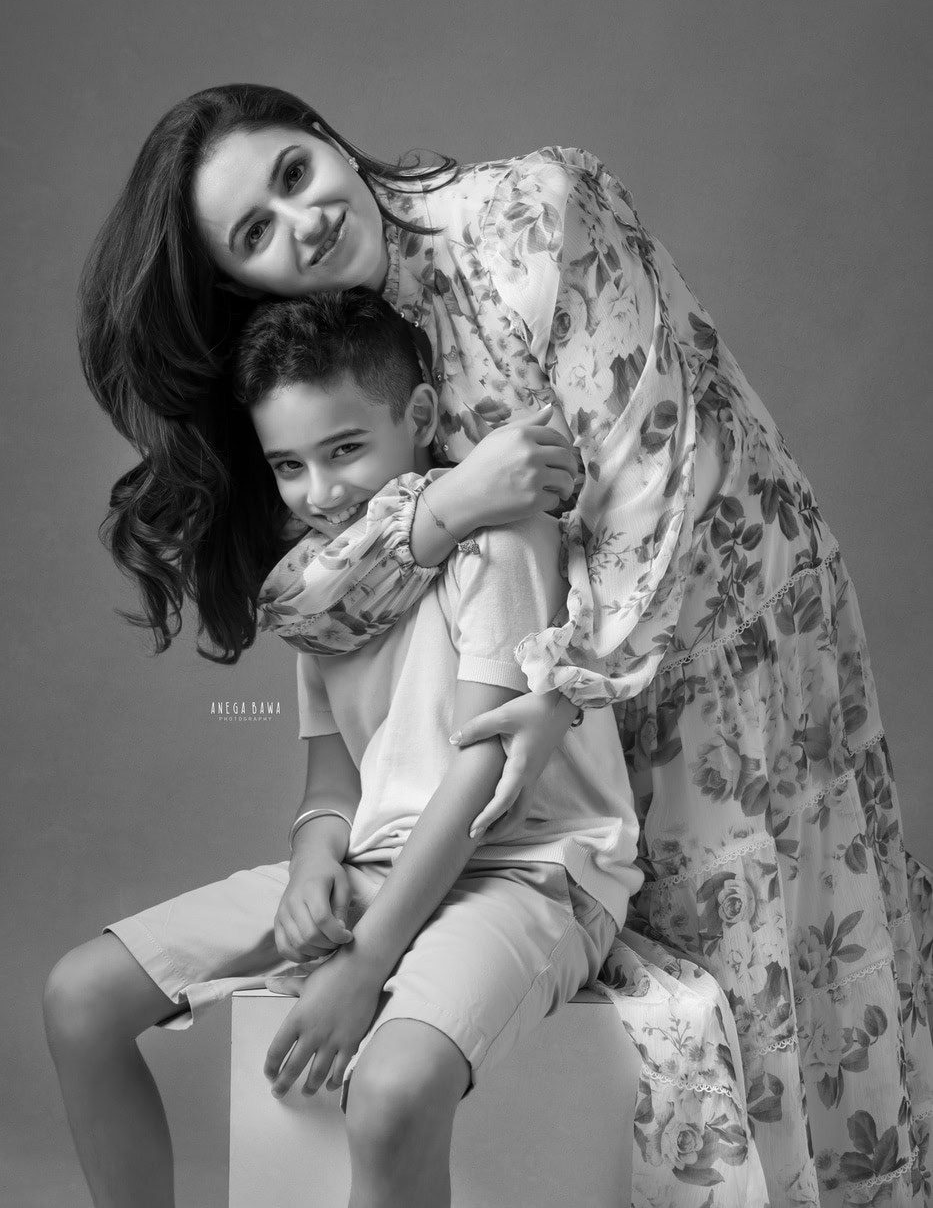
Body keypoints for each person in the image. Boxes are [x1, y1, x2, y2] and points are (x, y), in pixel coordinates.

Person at [69, 83, 933, 1206]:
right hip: (551, 684)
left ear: (327, 136)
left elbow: (649, 475)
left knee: (784, 934)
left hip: (730, 616)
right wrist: (449, 505)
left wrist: (564, 685)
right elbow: (305, 601)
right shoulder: (329, 359)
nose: (305, 223)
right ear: (243, 279)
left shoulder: (537, 210)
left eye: (294, 173)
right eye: (257, 234)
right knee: (657, 971)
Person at [45, 289, 651, 1208]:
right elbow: (331, 787)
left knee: (392, 1088)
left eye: (343, 451)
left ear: (415, 417)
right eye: (288, 465)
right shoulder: (322, 586)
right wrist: (308, 860)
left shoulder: (501, 536)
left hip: (525, 867)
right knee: (80, 996)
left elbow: (481, 776)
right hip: (379, 861)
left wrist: (364, 963)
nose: (319, 493)